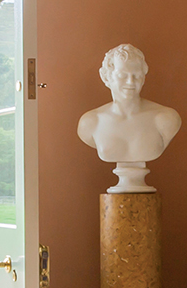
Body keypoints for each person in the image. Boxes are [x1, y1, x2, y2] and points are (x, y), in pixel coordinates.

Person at [77, 43, 181, 192]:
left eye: (137, 76)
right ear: (106, 76)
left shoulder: (165, 119)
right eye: (122, 75)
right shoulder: (91, 123)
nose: (130, 82)